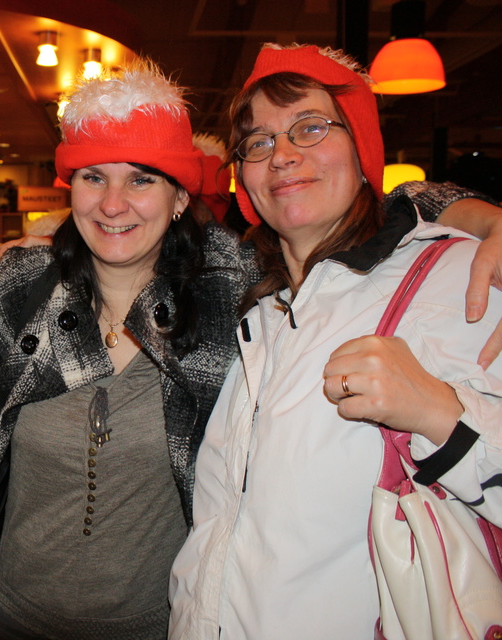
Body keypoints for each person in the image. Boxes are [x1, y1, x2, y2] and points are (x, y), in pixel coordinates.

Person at [0, 62, 502, 639]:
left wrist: (470, 210)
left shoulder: (232, 289)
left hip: (163, 623)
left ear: (181, 197)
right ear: (71, 190)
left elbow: (349, 212)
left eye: (142, 179)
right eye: (94, 178)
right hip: (9, 617)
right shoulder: (20, 289)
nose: (114, 204)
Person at [168, 43, 502, 640]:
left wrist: (438, 413)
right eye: (258, 142)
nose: (282, 155)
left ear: (361, 147)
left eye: (311, 127)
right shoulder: (259, 311)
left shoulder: (460, 279)